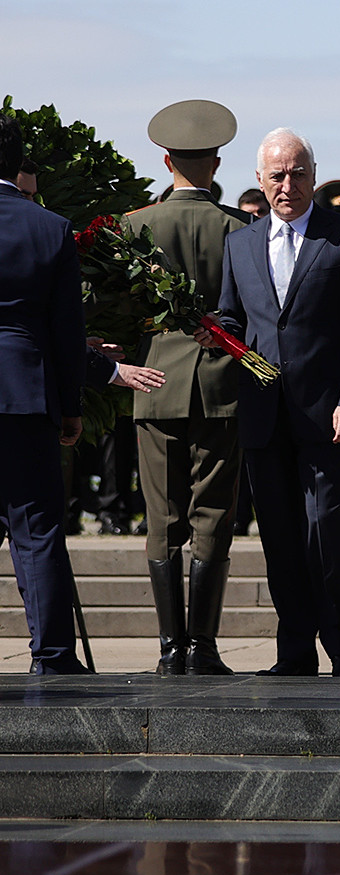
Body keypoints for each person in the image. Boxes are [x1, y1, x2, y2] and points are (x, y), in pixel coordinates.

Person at [213, 128, 340, 677]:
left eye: (298, 173)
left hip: (331, 414)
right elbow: (233, 316)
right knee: (281, 537)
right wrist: (214, 331)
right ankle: (293, 651)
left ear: (314, 175)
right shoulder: (240, 242)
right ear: (259, 181)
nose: (288, 184)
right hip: (265, 415)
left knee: (326, 530)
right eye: (277, 175)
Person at [123, 99, 253, 676]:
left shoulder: (134, 226)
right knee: (212, 514)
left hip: (154, 383)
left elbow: (120, 313)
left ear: (167, 159)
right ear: (217, 161)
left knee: (162, 518)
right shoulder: (238, 229)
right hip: (221, 384)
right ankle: (202, 647)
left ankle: (169, 648)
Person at [0, 111, 93, 674]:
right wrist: (70, 406)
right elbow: (67, 331)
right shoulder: (50, 227)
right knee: (36, 531)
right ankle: (54, 656)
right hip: (25, 393)